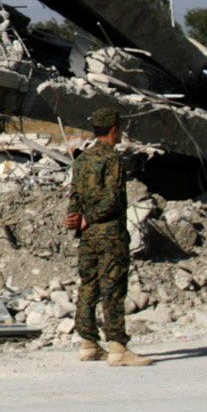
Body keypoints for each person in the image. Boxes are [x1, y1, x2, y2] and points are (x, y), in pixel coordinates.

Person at [68, 107, 153, 367]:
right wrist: (89, 218)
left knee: (88, 285)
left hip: (88, 236)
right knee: (113, 289)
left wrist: (76, 218)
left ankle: (88, 344)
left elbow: (75, 195)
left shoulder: (82, 159)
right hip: (109, 234)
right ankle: (117, 348)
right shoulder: (111, 159)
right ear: (114, 129)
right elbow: (113, 199)